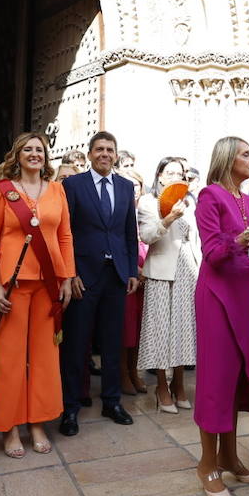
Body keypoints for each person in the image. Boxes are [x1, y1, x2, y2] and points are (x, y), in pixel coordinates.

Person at [193, 136, 249, 496]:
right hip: (216, 296)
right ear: (228, 158)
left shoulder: (247, 200)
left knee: (238, 376)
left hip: (243, 295)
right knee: (215, 379)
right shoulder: (209, 196)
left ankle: (230, 456)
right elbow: (213, 252)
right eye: (246, 153)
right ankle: (207, 464)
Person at [0, 132, 75, 457]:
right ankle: (9, 427)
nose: (35, 154)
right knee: (10, 358)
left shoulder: (58, 190)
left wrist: (66, 278)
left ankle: (38, 421)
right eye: (28, 150)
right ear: (17, 156)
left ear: (46, 157)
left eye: (40, 150)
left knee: (45, 358)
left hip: (48, 283)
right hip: (12, 284)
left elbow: (65, 236)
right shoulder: (1, 191)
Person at [58, 132, 140, 435]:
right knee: (77, 344)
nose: (105, 154)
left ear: (115, 155)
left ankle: (111, 401)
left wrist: (131, 269)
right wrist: (70, 273)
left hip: (116, 274)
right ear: (90, 154)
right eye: (99, 149)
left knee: (112, 342)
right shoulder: (73, 185)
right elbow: (64, 232)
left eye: (110, 150)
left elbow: (129, 232)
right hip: (84, 275)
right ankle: (70, 408)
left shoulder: (125, 186)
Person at [137, 156, 198, 413]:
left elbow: (195, 241)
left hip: (187, 271)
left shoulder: (190, 202)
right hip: (161, 272)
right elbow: (148, 235)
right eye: (170, 172)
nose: (176, 177)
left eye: (180, 173)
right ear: (160, 176)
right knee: (160, 331)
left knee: (184, 331)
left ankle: (180, 385)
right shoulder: (149, 202)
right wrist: (169, 217)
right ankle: (162, 387)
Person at [119, 169, 149, 394]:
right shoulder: (118, 209)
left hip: (148, 274)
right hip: (126, 275)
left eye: (137, 184)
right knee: (125, 329)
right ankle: (123, 374)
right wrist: (134, 269)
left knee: (140, 329)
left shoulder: (146, 209)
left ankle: (134, 371)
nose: (133, 188)